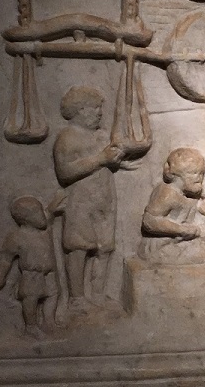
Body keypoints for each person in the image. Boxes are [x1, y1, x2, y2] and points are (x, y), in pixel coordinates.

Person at [51, 85, 139, 310]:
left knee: (105, 246)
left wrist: (118, 161)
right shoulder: (68, 138)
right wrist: (100, 159)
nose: (100, 113)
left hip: (105, 198)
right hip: (80, 200)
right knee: (78, 247)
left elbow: (107, 160)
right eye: (95, 108)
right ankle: (77, 298)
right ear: (80, 110)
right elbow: (65, 172)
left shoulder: (100, 135)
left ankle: (98, 294)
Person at [0, 195, 58, 338]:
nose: (42, 215)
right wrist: (0, 276)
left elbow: (50, 213)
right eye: (38, 212)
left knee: (53, 294)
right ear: (26, 219)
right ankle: (31, 326)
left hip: (49, 273)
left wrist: (58, 198)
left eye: (41, 211)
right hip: (32, 274)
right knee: (30, 299)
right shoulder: (17, 237)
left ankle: (49, 321)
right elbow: (6, 258)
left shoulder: (45, 232)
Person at [138, 147, 205, 264]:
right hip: (161, 244)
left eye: (201, 173)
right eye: (193, 173)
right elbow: (149, 221)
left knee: (204, 250)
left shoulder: (191, 194)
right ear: (176, 175)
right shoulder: (168, 193)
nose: (199, 178)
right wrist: (181, 229)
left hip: (180, 241)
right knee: (199, 254)